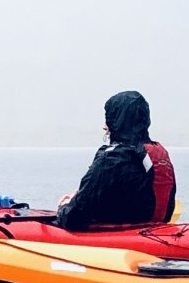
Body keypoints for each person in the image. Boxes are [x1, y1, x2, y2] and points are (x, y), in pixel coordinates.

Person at [55, 90, 178, 230]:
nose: (105, 125)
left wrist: (64, 206)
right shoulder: (158, 154)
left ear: (117, 120)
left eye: (109, 117)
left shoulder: (113, 159)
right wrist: (79, 195)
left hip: (122, 234)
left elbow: (73, 218)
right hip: (153, 227)